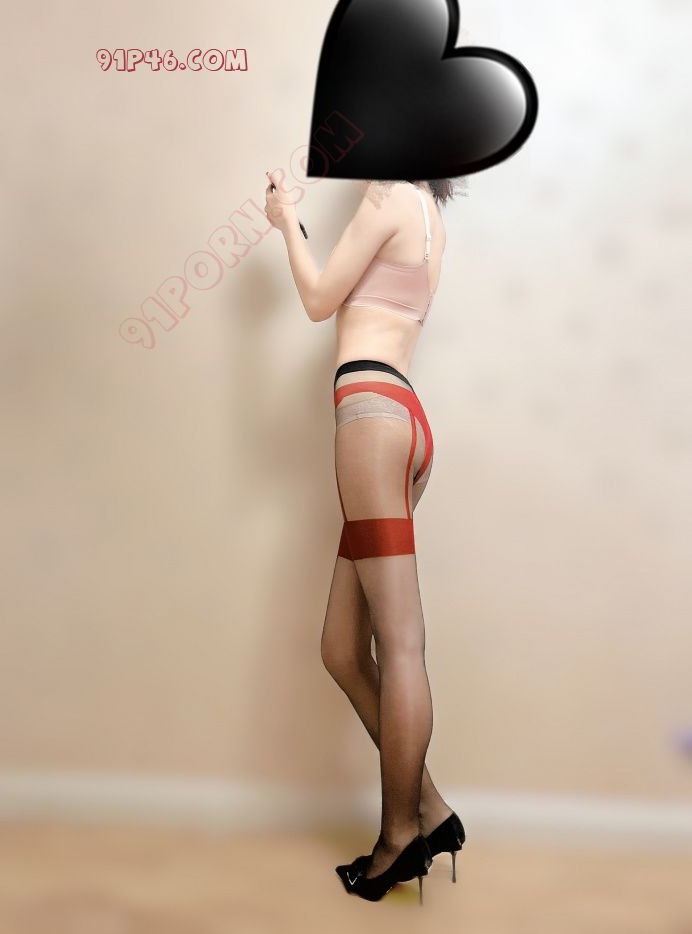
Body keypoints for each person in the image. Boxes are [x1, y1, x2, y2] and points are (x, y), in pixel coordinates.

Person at [264, 172, 466, 903]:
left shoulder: (386, 195)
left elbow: (321, 300)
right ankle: (431, 809)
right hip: (403, 416)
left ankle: (398, 838)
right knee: (342, 649)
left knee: (400, 643)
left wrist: (286, 221)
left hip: (370, 415)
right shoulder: (429, 209)